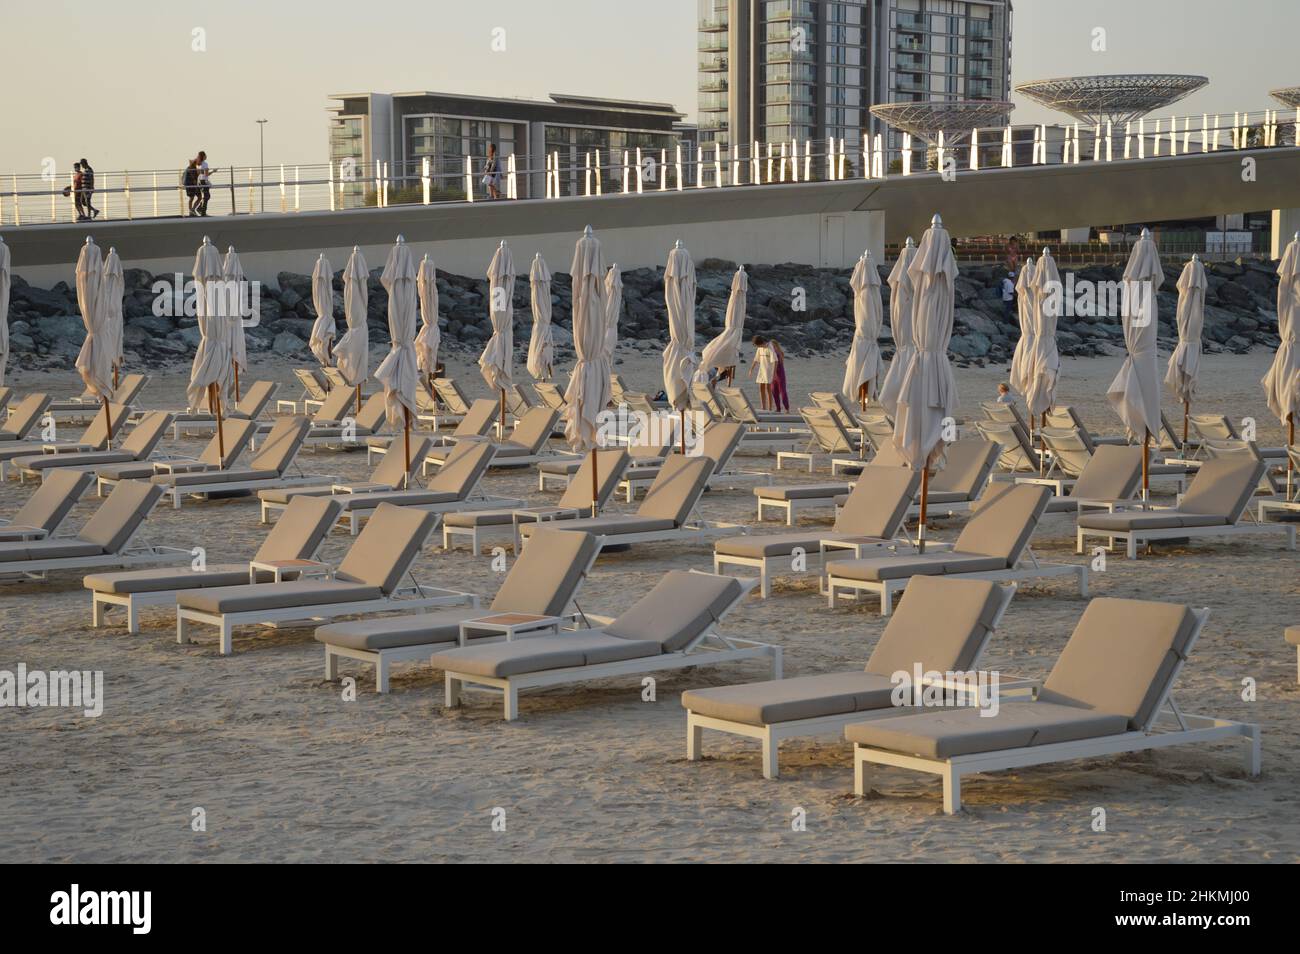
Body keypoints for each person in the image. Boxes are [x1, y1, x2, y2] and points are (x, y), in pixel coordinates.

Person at [749, 335, 776, 410]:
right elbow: (756, 359)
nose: (757, 347)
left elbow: (775, 361)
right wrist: (751, 369)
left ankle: (770, 408)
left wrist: (774, 373)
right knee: (761, 388)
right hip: (762, 370)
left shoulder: (770, 347)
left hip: (769, 371)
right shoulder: (760, 348)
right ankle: (763, 407)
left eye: (757, 345)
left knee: (768, 389)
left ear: (761, 343)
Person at [770, 337, 790, 413]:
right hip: (774, 375)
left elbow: (777, 364)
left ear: (776, 346)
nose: (772, 348)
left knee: (783, 391)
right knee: (774, 392)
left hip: (780, 375)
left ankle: (787, 408)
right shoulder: (773, 354)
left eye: (773, 346)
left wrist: (774, 373)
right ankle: (778, 409)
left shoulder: (779, 354)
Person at [195, 150, 216, 216]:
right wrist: (213, 171)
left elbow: (202, 173)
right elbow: (206, 174)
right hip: (204, 181)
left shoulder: (199, 164)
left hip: (200, 181)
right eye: (205, 155)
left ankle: (200, 208)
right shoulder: (205, 164)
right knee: (206, 196)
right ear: (203, 156)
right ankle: (202, 211)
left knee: (207, 196)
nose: (206, 156)